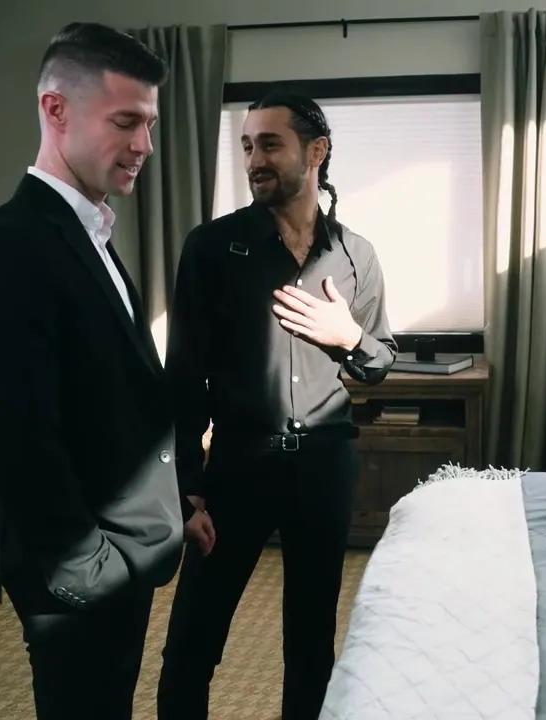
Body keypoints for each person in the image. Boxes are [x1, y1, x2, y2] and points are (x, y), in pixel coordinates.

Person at [0, 22, 216, 720]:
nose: (145, 145)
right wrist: (91, 573)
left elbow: (117, 399)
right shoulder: (12, 247)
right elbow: (18, 437)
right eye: (126, 122)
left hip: (123, 556)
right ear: (56, 110)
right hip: (80, 577)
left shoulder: (88, 228)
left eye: (150, 124)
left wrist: (172, 507)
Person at [156, 91, 397, 719]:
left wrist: (349, 338)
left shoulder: (356, 255)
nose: (253, 159)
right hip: (237, 467)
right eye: (246, 146)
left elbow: (378, 362)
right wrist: (185, 483)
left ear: (316, 152)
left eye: (269, 144)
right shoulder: (211, 247)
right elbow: (184, 376)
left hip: (324, 467)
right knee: (192, 640)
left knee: (312, 642)